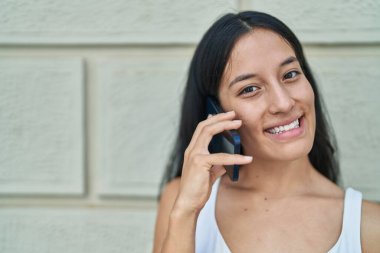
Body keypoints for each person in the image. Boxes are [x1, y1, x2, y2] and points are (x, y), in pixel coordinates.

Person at [153, 11, 380, 253]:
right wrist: (186, 212)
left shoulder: (368, 227)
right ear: (216, 112)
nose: (283, 103)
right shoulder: (184, 202)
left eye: (290, 74)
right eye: (250, 89)